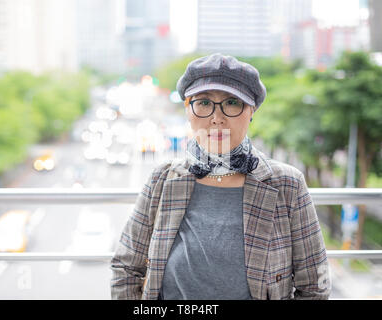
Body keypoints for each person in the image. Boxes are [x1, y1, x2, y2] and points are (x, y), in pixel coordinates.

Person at [111, 53, 331, 300]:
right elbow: (126, 267)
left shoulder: (286, 184)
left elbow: (315, 285)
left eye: (232, 103)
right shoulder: (163, 179)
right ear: (188, 109)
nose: (217, 117)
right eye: (204, 103)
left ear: (251, 111)